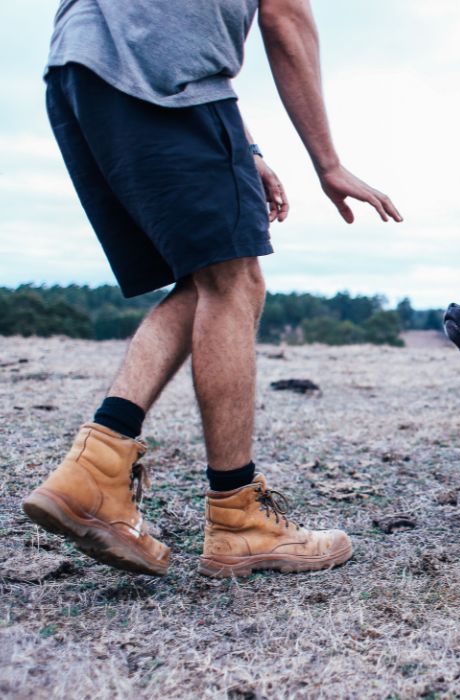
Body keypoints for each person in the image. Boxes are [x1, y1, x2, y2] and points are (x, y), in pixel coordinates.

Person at [22, 0, 402, 578]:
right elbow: (285, 16)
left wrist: (244, 148)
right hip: (162, 77)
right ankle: (238, 518)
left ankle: (95, 468)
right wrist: (328, 162)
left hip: (82, 66)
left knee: (209, 277)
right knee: (236, 282)